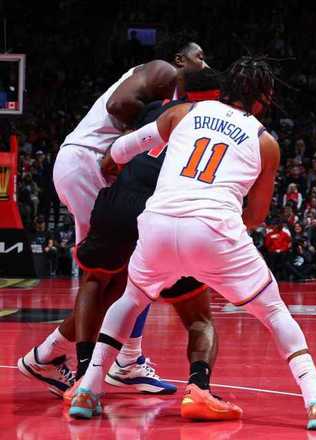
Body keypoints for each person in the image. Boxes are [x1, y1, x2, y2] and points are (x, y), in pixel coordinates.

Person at [68, 56, 316, 431]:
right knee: (274, 312)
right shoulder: (265, 142)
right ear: (264, 98)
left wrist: (111, 165)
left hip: (158, 222)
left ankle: (88, 389)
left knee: (131, 300)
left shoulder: (183, 112)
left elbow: (123, 149)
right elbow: (256, 216)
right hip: (214, 228)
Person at [17, 33, 207, 397]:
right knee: (104, 275)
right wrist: (144, 133)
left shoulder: (173, 99)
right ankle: (67, 360)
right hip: (90, 162)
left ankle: (112, 359)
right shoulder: (163, 72)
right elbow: (119, 104)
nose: (205, 63)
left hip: (95, 167)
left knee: (129, 271)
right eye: (200, 56)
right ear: (180, 60)